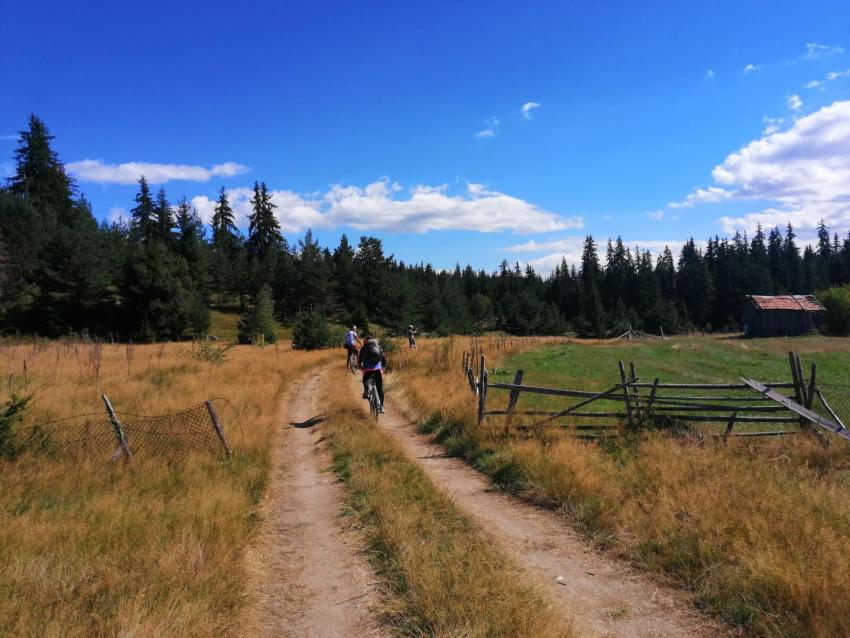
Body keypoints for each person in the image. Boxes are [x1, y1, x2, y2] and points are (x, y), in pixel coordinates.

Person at [357, 334, 386, 412]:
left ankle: (366, 391)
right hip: (377, 370)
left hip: (368, 370)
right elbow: (383, 357)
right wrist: (383, 366)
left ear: (366, 341)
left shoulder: (364, 348)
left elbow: (359, 359)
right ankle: (382, 407)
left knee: (364, 380)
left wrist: (360, 366)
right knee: (380, 389)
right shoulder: (378, 346)